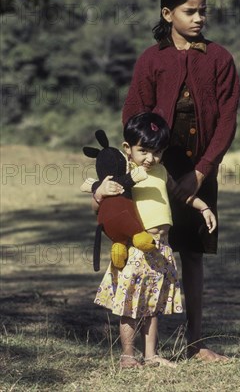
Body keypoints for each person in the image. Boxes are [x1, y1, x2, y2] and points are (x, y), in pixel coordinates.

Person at [122, 0, 240, 361]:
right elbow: (134, 112)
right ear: (167, 14)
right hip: (158, 169)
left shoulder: (219, 59)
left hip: (202, 169)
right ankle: (137, 348)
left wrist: (201, 172)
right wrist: (153, 167)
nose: (199, 18)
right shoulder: (151, 60)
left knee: (191, 254)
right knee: (149, 252)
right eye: (190, 11)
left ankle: (195, 343)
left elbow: (226, 122)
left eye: (202, 10)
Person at [93, 112, 217, 368]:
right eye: (144, 151)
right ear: (128, 148)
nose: (151, 158)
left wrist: (203, 206)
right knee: (129, 305)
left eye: (157, 152)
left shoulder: (161, 171)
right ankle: (128, 355)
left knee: (152, 305)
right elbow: (101, 206)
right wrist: (99, 193)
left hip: (161, 250)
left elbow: (181, 194)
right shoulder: (122, 173)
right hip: (134, 249)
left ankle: (151, 355)